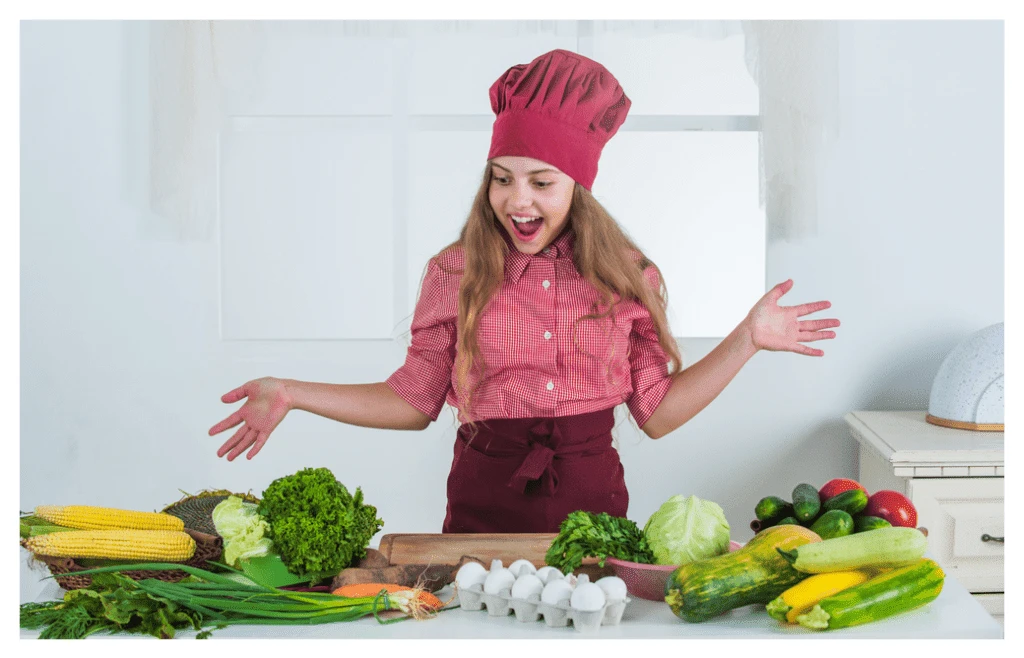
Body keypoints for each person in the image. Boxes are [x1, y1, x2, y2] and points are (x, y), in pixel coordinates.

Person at [209, 49, 839, 534]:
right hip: (480, 508)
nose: (517, 200)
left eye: (542, 181)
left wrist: (747, 340)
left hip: (593, 511)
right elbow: (413, 401)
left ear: (578, 186)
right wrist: (292, 393)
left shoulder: (626, 276)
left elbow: (658, 416)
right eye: (502, 178)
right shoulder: (454, 273)